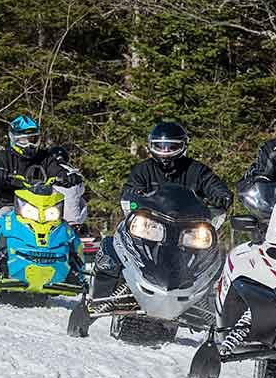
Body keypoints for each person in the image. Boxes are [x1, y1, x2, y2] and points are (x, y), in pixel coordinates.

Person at [91, 121, 233, 300]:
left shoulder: (196, 170)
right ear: (152, 146)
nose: (165, 152)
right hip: (151, 231)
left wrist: (222, 196)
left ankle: (212, 303)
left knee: (214, 256)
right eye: (160, 146)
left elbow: (213, 184)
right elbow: (130, 190)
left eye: (171, 147)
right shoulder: (144, 169)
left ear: (182, 147)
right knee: (116, 246)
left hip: (186, 233)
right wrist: (133, 194)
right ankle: (102, 294)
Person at [0, 114, 87, 224]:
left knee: (61, 224)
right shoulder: (4, 157)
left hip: (43, 205)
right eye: (24, 140)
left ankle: (71, 237)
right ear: (14, 139)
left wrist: (68, 176)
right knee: (3, 221)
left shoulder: (44, 157)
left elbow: (56, 168)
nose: (29, 144)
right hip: (11, 204)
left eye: (33, 139)